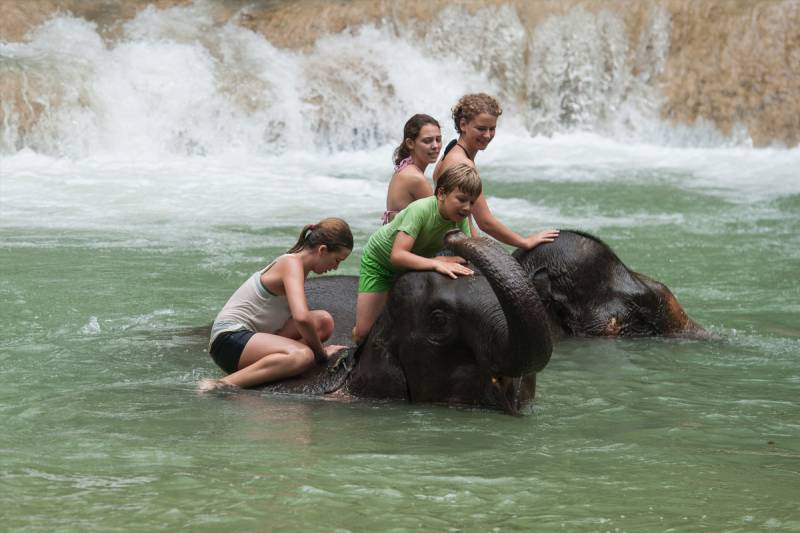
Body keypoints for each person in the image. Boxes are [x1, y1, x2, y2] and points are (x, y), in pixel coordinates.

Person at [200, 218, 353, 390]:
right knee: (303, 356)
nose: (335, 268)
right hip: (228, 339)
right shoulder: (291, 263)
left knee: (323, 321)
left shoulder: (299, 267)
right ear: (322, 250)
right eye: (337, 260)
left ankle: (277, 363)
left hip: (253, 337)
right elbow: (301, 318)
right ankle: (221, 384)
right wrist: (321, 354)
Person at [353, 163, 480, 343]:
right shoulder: (420, 210)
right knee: (364, 333)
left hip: (415, 262)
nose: (467, 208)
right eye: (461, 199)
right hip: (380, 263)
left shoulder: (460, 218)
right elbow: (397, 256)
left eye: (472, 202)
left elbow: (467, 254)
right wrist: (436, 262)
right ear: (441, 194)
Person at [433, 93, 560, 250]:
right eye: (481, 129)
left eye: (492, 129)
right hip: (450, 246)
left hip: (451, 239)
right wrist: (524, 242)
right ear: (463, 124)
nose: (487, 135)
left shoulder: (450, 151)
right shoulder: (462, 163)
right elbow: (485, 222)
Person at [382, 114, 442, 224]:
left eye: (438, 139)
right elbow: (438, 222)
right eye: (427, 141)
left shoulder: (404, 167)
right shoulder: (415, 178)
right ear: (410, 143)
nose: (435, 146)